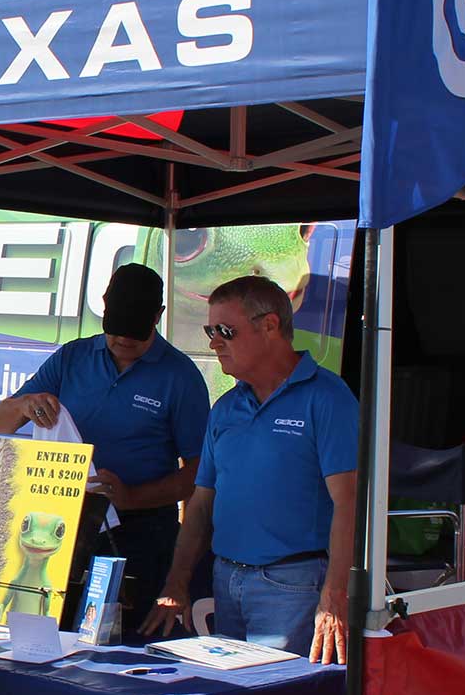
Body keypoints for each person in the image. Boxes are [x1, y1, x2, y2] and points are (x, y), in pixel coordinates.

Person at [142, 276, 359, 663]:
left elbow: (349, 503)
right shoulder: (225, 408)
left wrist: (334, 594)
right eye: (210, 330)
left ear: (270, 326)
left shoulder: (327, 398)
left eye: (225, 330)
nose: (214, 342)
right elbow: (201, 504)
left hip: (293, 585)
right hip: (226, 580)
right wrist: (176, 583)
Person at [0, 264, 209, 636]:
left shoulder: (180, 377)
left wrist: (133, 497)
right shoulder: (72, 357)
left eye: (135, 335)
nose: (123, 341)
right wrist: (26, 404)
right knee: (48, 638)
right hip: (65, 530)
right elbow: (0, 422)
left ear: (158, 317)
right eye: (115, 331)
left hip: (140, 537)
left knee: (122, 644)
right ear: (104, 307)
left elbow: (199, 473)